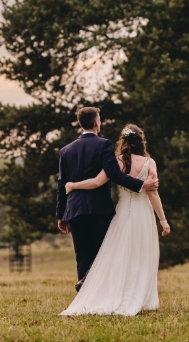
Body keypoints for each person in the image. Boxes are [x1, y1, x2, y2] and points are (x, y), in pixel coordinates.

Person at [60, 123, 170, 316]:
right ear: (141, 141)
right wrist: (163, 220)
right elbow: (153, 195)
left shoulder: (117, 161)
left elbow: (96, 182)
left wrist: (73, 185)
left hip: (121, 214)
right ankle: (138, 297)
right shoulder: (149, 163)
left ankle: (109, 292)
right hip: (143, 214)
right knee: (140, 256)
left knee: (118, 255)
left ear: (123, 141)